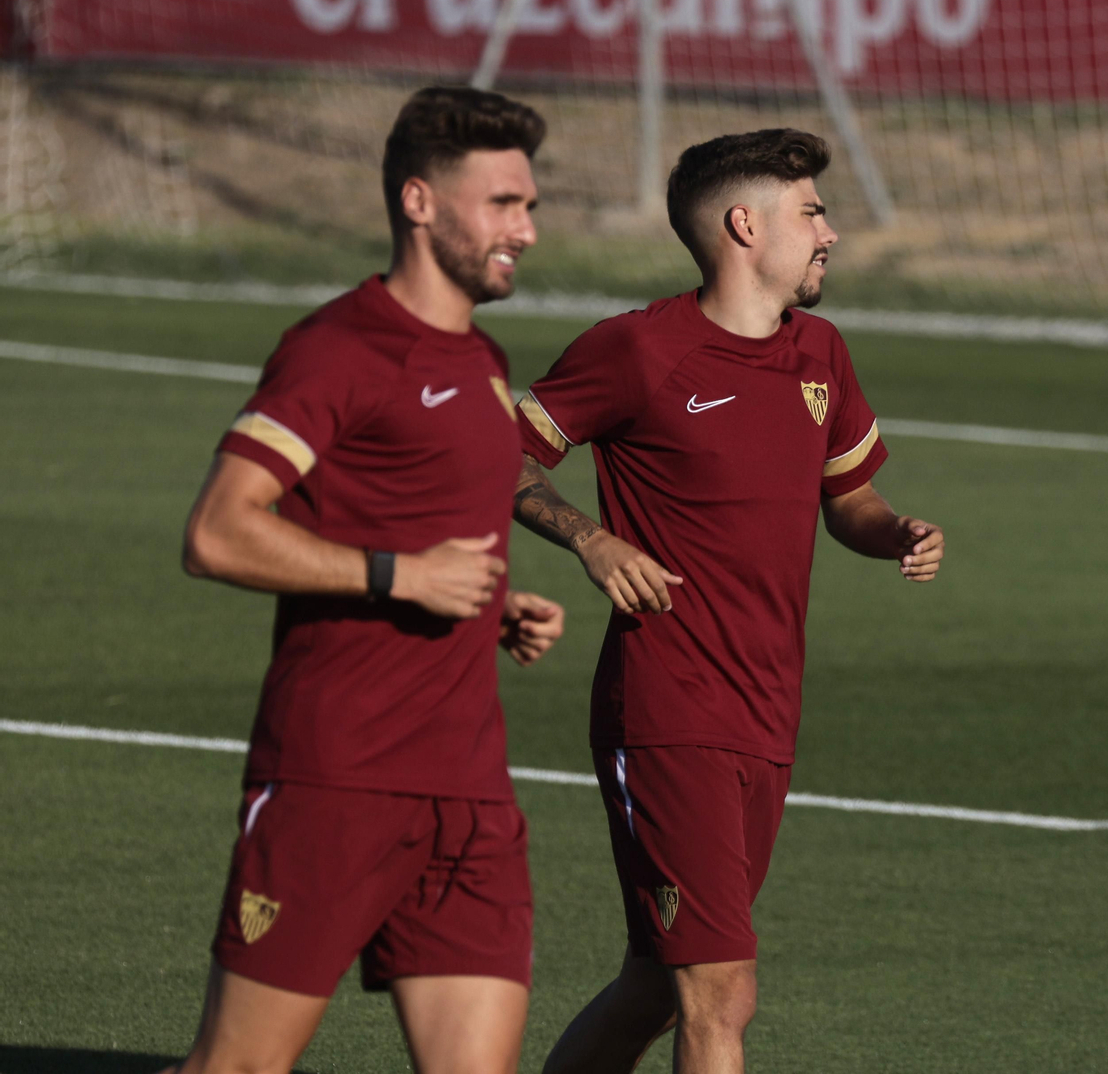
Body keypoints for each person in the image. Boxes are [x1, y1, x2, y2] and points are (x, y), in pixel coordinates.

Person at [509, 128, 945, 1074]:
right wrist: (588, 538)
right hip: (668, 707)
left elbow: (851, 499)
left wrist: (897, 530)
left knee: (658, 985)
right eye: (813, 212)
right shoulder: (639, 349)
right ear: (746, 225)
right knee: (722, 990)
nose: (831, 232)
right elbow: (495, 452)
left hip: (767, 709)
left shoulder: (821, 352)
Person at [167, 85, 564, 1074]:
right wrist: (398, 577)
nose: (524, 228)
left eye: (530, 205)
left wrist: (485, 603)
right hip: (334, 778)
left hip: (468, 791)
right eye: (502, 203)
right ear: (420, 202)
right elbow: (217, 532)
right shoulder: (338, 348)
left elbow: (420, 527)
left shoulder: (483, 359)